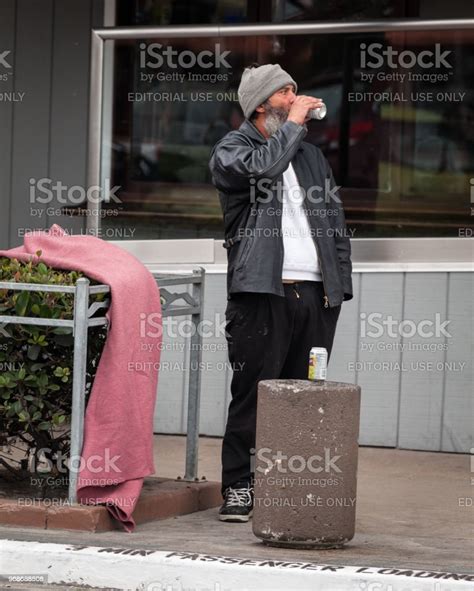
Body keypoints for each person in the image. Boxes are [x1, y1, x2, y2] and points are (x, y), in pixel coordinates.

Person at [209, 63, 354, 522]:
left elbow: (335, 224)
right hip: (262, 293)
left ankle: (290, 486)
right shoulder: (233, 150)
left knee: (305, 396)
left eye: (295, 90)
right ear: (261, 105)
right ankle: (238, 486)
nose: (297, 99)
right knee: (254, 393)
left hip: (315, 297)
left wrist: (339, 287)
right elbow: (264, 170)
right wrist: (292, 126)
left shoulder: (311, 156)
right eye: (286, 92)